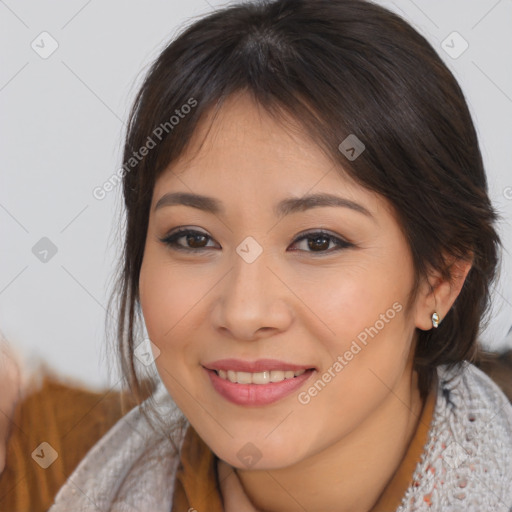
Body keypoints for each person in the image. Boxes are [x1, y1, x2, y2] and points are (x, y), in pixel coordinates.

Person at [35, 0, 512, 510]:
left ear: (439, 278)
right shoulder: (47, 466)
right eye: (194, 239)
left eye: (318, 241)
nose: (244, 313)